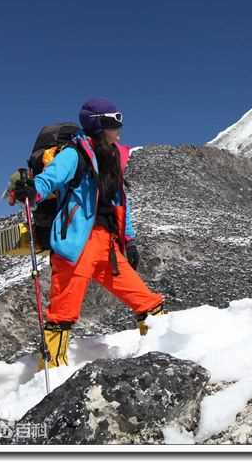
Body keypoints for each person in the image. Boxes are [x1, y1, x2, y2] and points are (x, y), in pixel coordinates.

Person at [13, 98, 165, 371]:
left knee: (146, 301)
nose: (119, 130)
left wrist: (128, 240)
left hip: (107, 246)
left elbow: (121, 202)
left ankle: (163, 354)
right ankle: (50, 372)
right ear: (99, 126)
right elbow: (51, 178)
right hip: (76, 244)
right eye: (113, 124)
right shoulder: (74, 154)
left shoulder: (114, 157)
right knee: (62, 312)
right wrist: (32, 190)